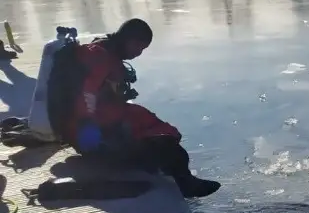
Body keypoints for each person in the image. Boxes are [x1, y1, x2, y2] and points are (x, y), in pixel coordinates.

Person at [51, 18, 221, 198]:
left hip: (96, 126)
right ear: (129, 40)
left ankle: (163, 166)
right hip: (94, 136)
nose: (139, 53)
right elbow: (86, 94)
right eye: (139, 47)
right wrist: (91, 137)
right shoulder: (100, 57)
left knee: (158, 126)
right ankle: (186, 184)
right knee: (168, 148)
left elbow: (94, 91)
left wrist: (118, 95)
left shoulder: (104, 49)